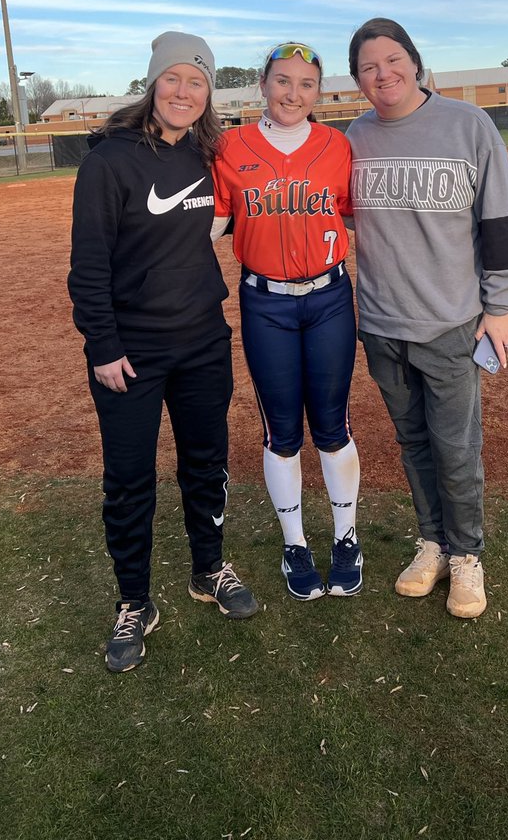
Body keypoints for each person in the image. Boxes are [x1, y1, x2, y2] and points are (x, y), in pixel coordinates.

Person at [68, 31, 259, 674]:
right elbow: (88, 266)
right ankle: (134, 601)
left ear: (208, 95)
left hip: (203, 341)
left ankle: (209, 568)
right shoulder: (109, 163)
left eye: (197, 81)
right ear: (153, 83)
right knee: (129, 478)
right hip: (132, 352)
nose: (184, 91)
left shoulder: (208, 155)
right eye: (173, 78)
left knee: (206, 463)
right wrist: (103, 346)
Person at [346, 19, 508, 619]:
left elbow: (501, 217)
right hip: (379, 321)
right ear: (357, 80)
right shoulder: (355, 137)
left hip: (450, 322)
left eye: (393, 60)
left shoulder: (467, 124)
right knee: (414, 442)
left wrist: (501, 305)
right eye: (369, 67)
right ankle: (433, 543)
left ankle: (468, 556)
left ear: (415, 63)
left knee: (456, 447)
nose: (383, 74)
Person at [211, 43, 362, 600]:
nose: (292, 93)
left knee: (332, 425)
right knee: (281, 432)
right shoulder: (230, 146)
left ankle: (346, 536)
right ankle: (295, 542)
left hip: (328, 298)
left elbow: (357, 217)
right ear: (262, 84)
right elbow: (213, 223)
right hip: (264, 302)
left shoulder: (337, 146)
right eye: (282, 81)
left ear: (318, 92)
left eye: (305, 83)